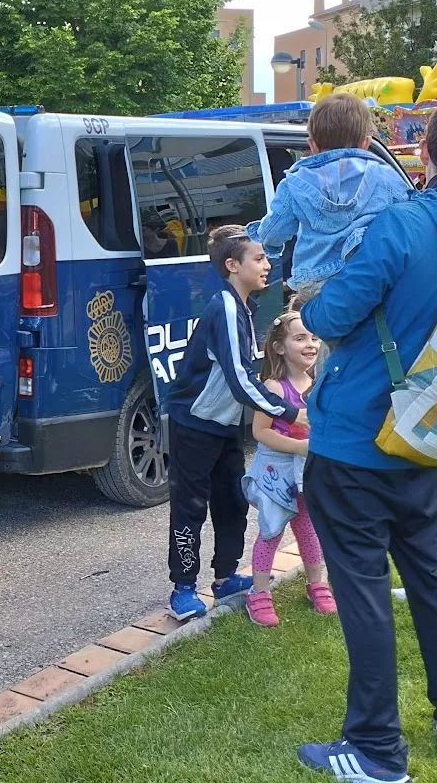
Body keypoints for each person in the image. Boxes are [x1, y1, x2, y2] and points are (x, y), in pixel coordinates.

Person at [296, 98, 437, 782]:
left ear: (424, 152)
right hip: (430, 429)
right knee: (436, 580)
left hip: (360, 433)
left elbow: (332, 315)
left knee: (362, 587)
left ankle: (376, 749)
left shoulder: (401, 224)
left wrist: (306, 303)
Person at [163, 224, 304, 622]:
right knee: (189, 506)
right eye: (259, 259)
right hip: (194, 423)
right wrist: (289, 411)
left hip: (224, 424)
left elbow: (246, 373)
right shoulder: (224, 306)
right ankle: (183, 589)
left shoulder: (244, 306)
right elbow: (239, 378)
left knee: (232, 501)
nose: (267, 264)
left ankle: (225, 577)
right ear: (232, 265)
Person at [248, 93, 413, 302]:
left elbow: (273, 231)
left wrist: (270, 246)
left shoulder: (293, 183)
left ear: (312, 144)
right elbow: (411, 219)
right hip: (368, 277)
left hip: (313, 282)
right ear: (366, 143)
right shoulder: (386, 176)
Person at [242, 309, 334, 627]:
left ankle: (317, 584)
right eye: (300, 338)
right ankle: (259, 594)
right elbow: (260, 432)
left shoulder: (319, 383)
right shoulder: (274, 388)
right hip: (276, 473)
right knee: (271, 531)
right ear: (280, 347)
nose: (310, 344)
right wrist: (298, 447)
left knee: (308, 529)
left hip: (306, 474)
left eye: (314, 337)